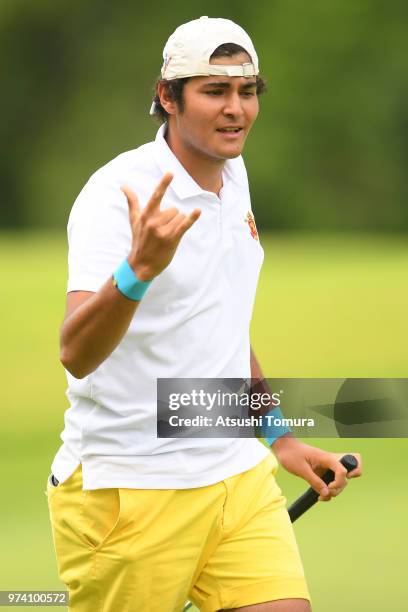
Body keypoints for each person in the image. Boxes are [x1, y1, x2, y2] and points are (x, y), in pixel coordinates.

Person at [46, 16, 362, 612]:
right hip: (129, 490)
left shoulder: (232, 176)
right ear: (167, 97)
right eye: (214, 92)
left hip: (234, 478)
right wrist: (136, 272)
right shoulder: (115, 194)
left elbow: (219, 328)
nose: (235, 110)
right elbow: (76, 353)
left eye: (247, 92)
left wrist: (279, 438)